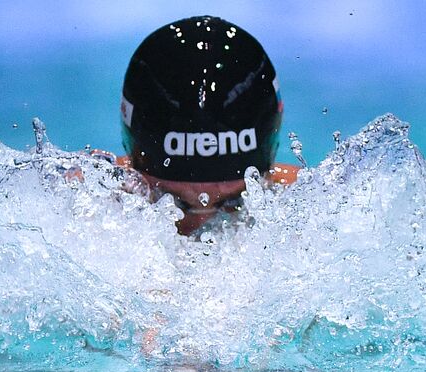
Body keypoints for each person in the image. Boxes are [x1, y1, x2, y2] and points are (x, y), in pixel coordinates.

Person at [113, 16, 300, 235]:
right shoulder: (74, 200)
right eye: (171, 202)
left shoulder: (311, 207)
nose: (201, 227)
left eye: (235, 202)